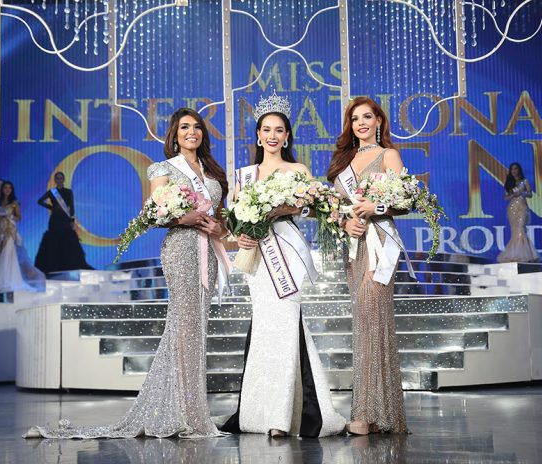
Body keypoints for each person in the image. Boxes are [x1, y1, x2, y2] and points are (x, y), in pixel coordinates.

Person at [24, 107, 231, 439]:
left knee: (195, 328)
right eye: (184, 127)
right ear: (174, 135)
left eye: (196, 127)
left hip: (208, 252)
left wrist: (219, 228)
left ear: (203, 134)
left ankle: (188, 409)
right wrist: (184, 218)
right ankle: (191, 413)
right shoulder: (164, 168)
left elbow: (221, 217)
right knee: (185, 327)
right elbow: (154, 213)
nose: (191, 132)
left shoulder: (213, 171)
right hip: (180, 250)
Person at [220, 92, 346, 438]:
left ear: (287, 136)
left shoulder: (298, 170)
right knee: (265, 327)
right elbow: (231, 224)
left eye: (279, 130)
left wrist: (285, 208)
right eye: (266, 129)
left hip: (286, 254)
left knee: (287, 323)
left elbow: (314, 208)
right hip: (259, 260)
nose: (272, 135)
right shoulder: (244, 176)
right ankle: (263, 413)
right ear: (258, 136)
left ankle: (283, 415)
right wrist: (240, 237)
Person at [327, 96, 410, 435]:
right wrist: (345, 222)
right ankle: (375, 412)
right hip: (354, 246)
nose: (361, 123)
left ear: (378, 121)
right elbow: (333, 209)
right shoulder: (343, 161)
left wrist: (375, 208)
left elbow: (406, 199)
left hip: (380, 244)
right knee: (364, 322)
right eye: (355, 118)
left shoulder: (388, 155)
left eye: (367, 117)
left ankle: (367, 413)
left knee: (374, 315)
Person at [0, 181, 45, 293]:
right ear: (2, 189)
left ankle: (7, 281)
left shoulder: (15, 203)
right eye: (5, 188)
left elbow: (19, 217)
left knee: (7, 254)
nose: (7, 190)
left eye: (9, 188)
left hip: (9, 231)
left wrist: (9, 216)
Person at [34, 171, 92, 274]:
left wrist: (72, 219)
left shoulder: (68, 192)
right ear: (55, 180)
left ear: (64, 179)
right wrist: (52, 207)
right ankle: (53, 265)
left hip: (65, 219)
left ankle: (68, 264)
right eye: (57, 178)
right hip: (55, 219)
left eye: (61, 178)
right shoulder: (52, 192)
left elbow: (71, 206)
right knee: (54, 241)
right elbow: (39, 201)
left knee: (67, 240)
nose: (59, 180)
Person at [497, 163, 540, 263]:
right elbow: (506, 197)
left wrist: (521, 193)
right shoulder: (509, 183)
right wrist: (512, 195)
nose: (514, 171)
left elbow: (530, 194)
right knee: (515, 231)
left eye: (515, 169)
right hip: (512, 209)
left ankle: (524, 255)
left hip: (522, 207)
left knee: (521, 229)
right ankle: (516, 255)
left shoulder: (525, 181)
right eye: (512, 169)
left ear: (519, 170)